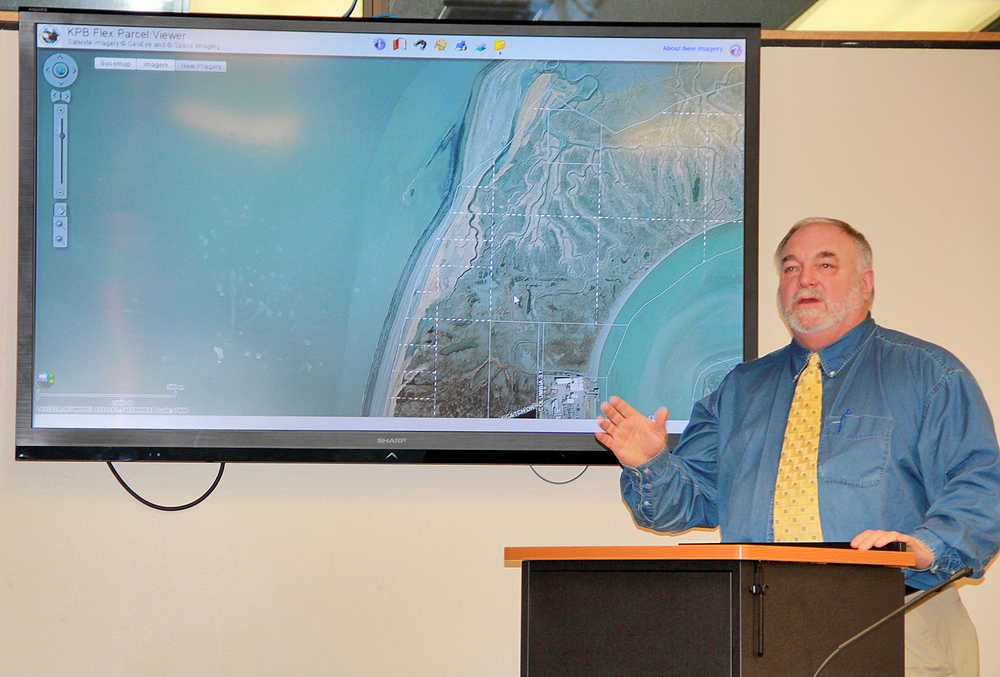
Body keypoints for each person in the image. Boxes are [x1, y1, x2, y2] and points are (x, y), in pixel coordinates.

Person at [596, 217, 1000, 677]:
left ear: (866, 284)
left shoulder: (930, 375)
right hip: (765, 632)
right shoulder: (739, 390)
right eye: (790, 268)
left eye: (825, 264)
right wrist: (651, 464)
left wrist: (926, 547)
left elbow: (981, 490)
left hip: (900, 624)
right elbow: (681, 507)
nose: (804, 278)